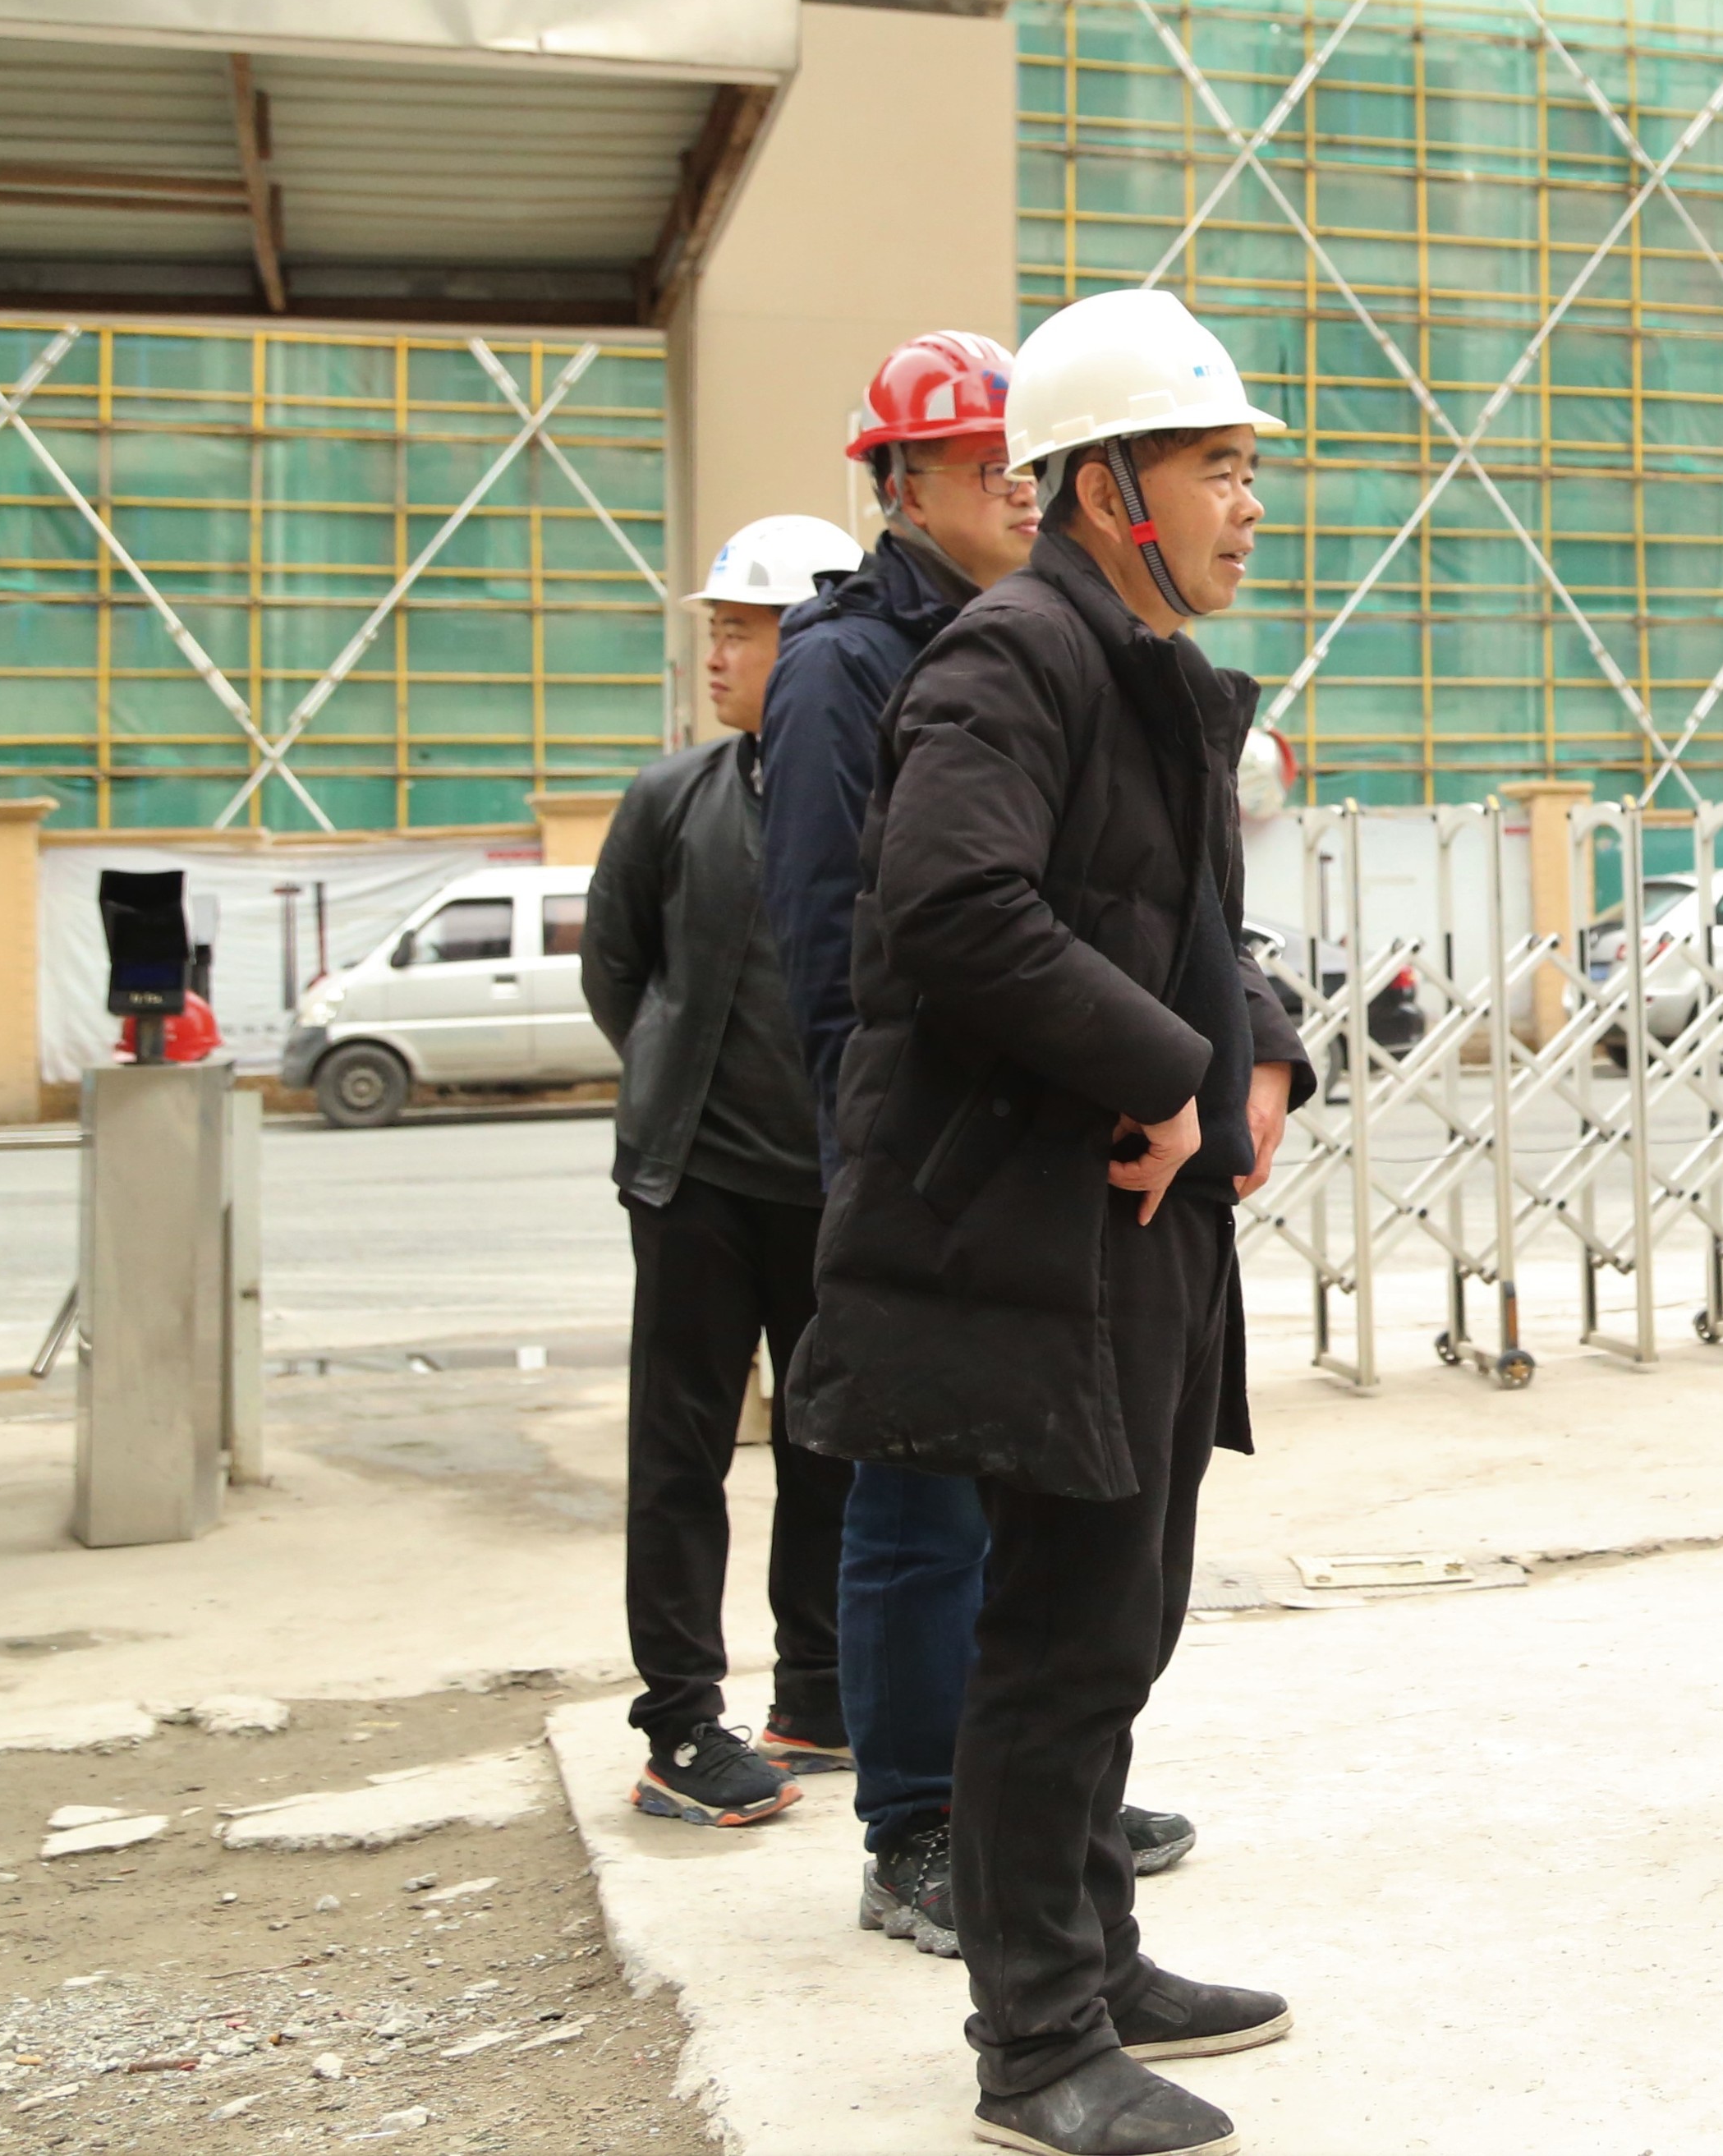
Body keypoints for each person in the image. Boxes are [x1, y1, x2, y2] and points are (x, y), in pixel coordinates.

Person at [783, 287, 1308, 2156]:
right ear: (1106, 489)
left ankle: (1096, 1956)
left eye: (1246, 466)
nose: (1249, 502)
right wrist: (1163, 1074)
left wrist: (1261, 1049)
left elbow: (1177, 925)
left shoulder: (1139, 663)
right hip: (1030, 1228)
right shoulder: (1012, 657)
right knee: (1059, 1633)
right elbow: (952, 905)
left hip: (1131, 1233)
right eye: (1214, 466)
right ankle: (1035, 2043)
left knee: (1123, 1617)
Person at [756, 333, 1198, 1957]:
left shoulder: (1048, 633)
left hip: (1037, 1133)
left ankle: (1034, 1806)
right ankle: (917, 1821)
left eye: (1026, 458)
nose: (1015, 484)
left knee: (1042, 1500)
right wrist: (874, 1155)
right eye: (979, 461)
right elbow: (843, 934)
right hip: (923, 1145)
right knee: (919, 1499)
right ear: (899, 482)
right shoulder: (849, 663)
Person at [583, 513, 866, 1824]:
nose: (717, 655)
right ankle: (682, 1725)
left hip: (834, 1190)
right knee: (681, 1456)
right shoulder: (671, 799)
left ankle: (816, 1697)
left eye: (743, 632)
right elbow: (620, 975)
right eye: (716, 630)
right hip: (694, 1187)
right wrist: (675, 1094)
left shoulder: (869, 789)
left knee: (833, 1457)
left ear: (811, 643)